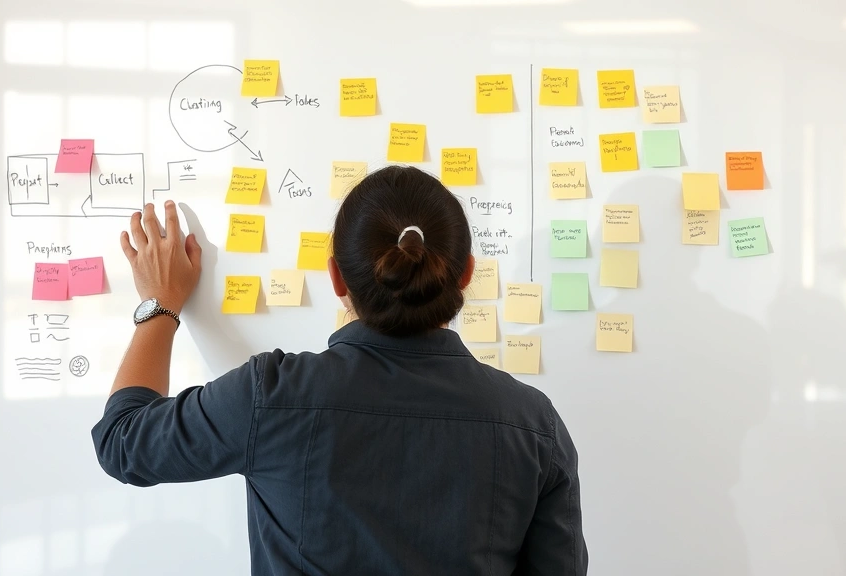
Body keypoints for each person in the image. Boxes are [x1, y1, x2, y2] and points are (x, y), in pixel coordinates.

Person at [91, 166, 589, 575]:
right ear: (465, 275)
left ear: (336, 278)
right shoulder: (534, 426)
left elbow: (121, 440)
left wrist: (159, 304)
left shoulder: (271, 396)